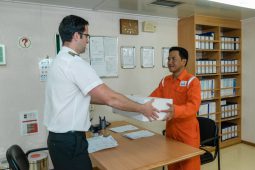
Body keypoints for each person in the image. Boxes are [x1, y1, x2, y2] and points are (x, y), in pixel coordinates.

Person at [43, 15, 159, 170]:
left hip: (58, 140)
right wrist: (142, 108)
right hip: (70, 140)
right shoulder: (74, 63)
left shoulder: (59, 60)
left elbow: (85, 96)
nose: (88, 40)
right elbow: (110, 97)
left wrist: (115, 100)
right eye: (86, 36)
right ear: (77, 36)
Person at [150, 46, 201, 170]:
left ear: (184, 62)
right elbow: (153, 98)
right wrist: (140, 104)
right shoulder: (165, 81)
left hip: (187, 132)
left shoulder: (192, 81)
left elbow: (194, 106)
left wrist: (176, 110)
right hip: (171, 130)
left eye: (174, 59)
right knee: (172, 165)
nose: (170, 62)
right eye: (168, 59)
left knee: (189, 166)